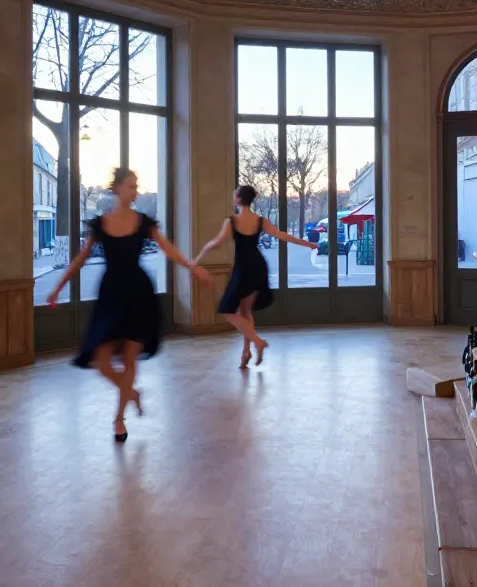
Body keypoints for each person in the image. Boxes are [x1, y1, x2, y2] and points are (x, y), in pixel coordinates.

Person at [45, 168, 210, 442]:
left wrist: (192, 267)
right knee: (102, 361)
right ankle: (130, 392)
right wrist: (58, 288)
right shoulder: (99, 224)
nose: (136, 191)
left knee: (131, 357)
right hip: (111, 293)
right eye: (131, 186)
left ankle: (119, 418)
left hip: (138, 292)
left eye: (136, 186)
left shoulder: (144, 222)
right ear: (117, 189)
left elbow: (167, 248)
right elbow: (80, 259)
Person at [193, 185, 318, 368]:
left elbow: (217, 242)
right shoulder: (259, 220)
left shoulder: (232, 221)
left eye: (234, 195)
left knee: (227, 310)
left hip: (243, 268)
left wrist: (198, 256)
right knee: (245, 312)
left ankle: (256, 341)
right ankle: (246, 352)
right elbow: (281, 235)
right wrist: (307, 244)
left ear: (238, 199)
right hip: (258, 266)